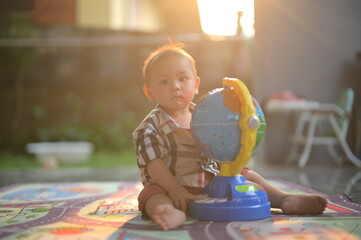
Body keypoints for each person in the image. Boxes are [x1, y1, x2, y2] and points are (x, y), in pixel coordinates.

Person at [132, 41, 328, 231]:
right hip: (170, 187)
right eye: (164, 81)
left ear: (196, 84)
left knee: (245, 175)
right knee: (151, 195)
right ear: (149, 92)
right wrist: (174, 189)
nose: (175, 86)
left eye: (183, 78)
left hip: (213, 185)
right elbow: (153, 164)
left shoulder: (206, 114)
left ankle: (283, 198)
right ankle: (166, 212)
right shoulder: (150, 127)